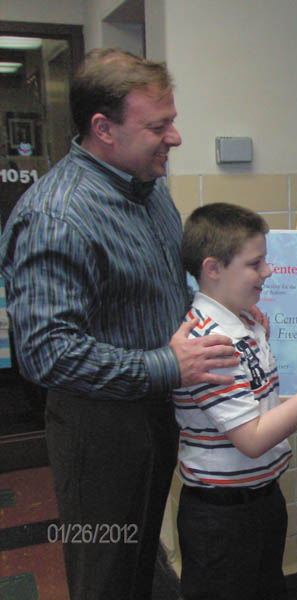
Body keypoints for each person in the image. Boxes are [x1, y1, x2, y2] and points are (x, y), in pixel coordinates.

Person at [0, 48, 241, 599]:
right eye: (159, 125)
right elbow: (46, 354)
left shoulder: (150, 188)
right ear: (103, 128)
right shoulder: (57, 216)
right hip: (98, 430)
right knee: (105, 572)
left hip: (156, 410)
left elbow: (166, 282)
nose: (175, 138)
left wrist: (226, 307)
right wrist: (167, 363)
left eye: (172, 120)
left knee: (138, 559)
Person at [174, 203, 297, 600]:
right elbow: (252, 438)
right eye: (255, 263)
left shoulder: (245, 322)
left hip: (259, 501)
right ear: (213, 268)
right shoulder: (209, 342)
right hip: (221, 517)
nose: (268, 272)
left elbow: (256, 402)